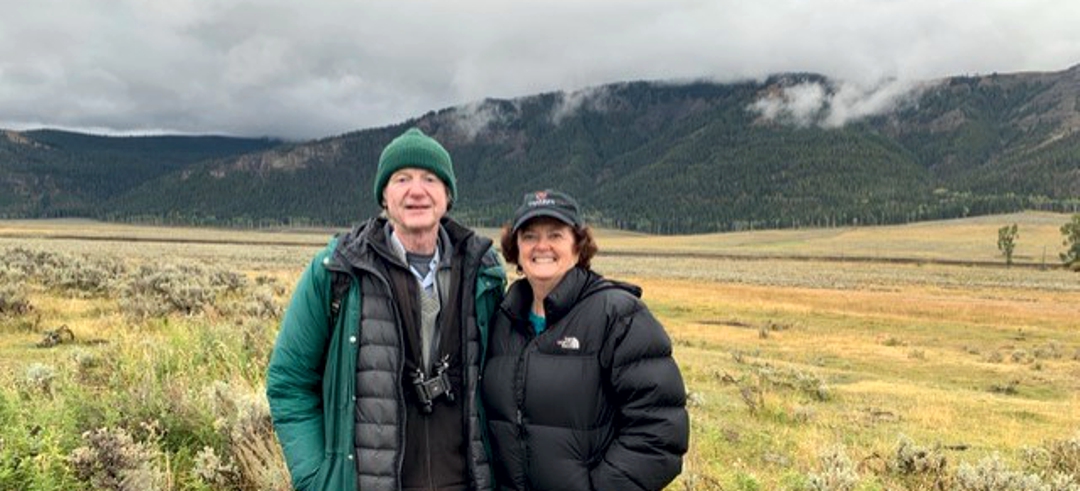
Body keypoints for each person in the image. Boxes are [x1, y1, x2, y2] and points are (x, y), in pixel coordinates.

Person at [266, 127, 506, 491]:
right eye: (401, 178)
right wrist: (317, 478)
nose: (416, 190)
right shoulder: (338, 270)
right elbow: (289, 382)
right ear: (384, 194)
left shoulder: (483, 274)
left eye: (430, 178)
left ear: (447, 194)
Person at [481, 190, 689, 491]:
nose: (542, 246)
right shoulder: (503, 320)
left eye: (555, 235)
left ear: (579, 247)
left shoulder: (618, 316)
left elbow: (659, 433)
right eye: (529, 236)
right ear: (515, 249)